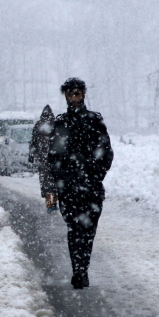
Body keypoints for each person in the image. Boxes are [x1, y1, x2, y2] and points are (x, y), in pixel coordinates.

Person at [47, 78, 113, 289]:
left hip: (91, 188)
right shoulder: (61, 123)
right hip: (69, 189)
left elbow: (106, 153)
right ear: (65, 96)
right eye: (70, 95)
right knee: (74, 230)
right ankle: (78, 270)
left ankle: (82, 267)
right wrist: (62, 180)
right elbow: (53, 156)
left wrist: (94, 175)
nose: (74, 98)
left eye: (77, 94)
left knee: (88, 231)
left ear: (83, 94)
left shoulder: (94, 121)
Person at [28, 105, 58, 213]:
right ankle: (54, 202)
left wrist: (31, 156)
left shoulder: (38, 125)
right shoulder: (56, 125)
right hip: (54, 159)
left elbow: (33, 142)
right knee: (54, 182)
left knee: (45, 182)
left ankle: (48, 204)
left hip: (43, 160)